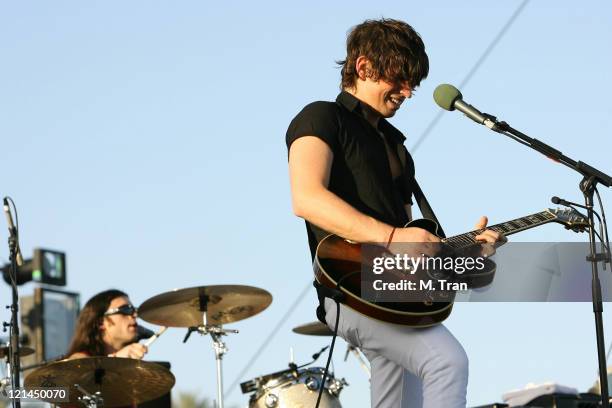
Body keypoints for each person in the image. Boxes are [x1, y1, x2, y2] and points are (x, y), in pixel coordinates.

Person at [286, 18, 504, 408]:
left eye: (412, 83)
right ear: (364, 67)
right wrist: (391, 238)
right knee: (447, 362)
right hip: (351, 288)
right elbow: (307, 198)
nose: (407, 92)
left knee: (399, 401)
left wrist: (465, 255)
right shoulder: (320, 117)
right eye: (399, 79)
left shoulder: (397, 147)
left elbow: (410, 241)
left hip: (396, 292)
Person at [67, 289, 148, 359]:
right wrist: (116, 359)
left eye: (134, 310)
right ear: (101, 322)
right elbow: (72, 371)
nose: (134, 315)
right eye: (126, 310)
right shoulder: (80, 357)